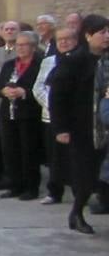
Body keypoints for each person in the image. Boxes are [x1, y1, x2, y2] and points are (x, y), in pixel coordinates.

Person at [48, 14, 109, 234]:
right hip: (82, 127)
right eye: (102, 32)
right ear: (88, 35)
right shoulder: (74, 61)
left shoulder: (107, 60)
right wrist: (60, 128)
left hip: (106, 124)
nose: (107, 37)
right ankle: (77, 213)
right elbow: (58, 97)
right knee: (86, 174)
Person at [0, 30, 43, 201]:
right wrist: (3, 90)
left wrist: (24, 92)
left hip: (29, 114)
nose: (20, 48)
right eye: (18, 45)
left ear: (33, 47)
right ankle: (15, 185)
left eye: (24, 45)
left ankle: (31, 188)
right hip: (8, 113)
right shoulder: (9, 65)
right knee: (10, 150)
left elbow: (44, 87)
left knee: (29, 151)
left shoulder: (40, 64)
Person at [33, 26, 78, 204]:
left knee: (75, 158)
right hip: (51, 116)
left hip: (75, 118)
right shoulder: (49, 61)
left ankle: (78, 192)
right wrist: (53, 106)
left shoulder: (81, 61)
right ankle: (54, 191)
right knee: (54, 157)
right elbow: (38, 87)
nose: (64, 42)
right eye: (60, 40)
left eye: (68, 39)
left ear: (76, 41)